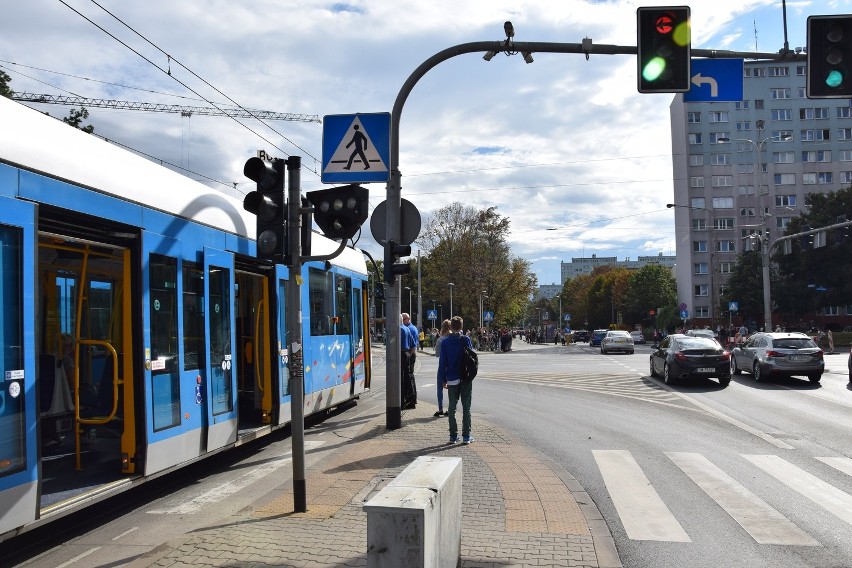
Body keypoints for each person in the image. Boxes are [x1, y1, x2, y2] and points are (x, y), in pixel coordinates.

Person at [438, 316, 475, 444]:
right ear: (461, 327)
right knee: (466, 407)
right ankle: (466, 436)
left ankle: (453, 436)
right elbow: (472, 358)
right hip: (466, 378)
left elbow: (442, 363)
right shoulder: (466, 340)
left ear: (451, 327)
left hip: (452, 378)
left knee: (452, 408)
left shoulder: (445, 342)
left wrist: (443, 379)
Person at [433, 319, 451, 417]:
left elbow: (437, 354)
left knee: (440, 388)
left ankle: (440, 409)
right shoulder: (453, 338)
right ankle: (449, 409)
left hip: (442, 366)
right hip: (452, 367)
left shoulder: (440, 339)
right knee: (451, 389)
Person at [400, 313, 418, 409]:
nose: (403, 320)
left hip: (407, 354)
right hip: (408, 354)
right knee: (409, 376)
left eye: (404, 318)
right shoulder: (410, 328)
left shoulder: (406, 329)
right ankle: (412, 398)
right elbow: (413, 344)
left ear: (407, 319)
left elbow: (413, 345)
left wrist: (408, 356)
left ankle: (409, 399)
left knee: (406, 377)